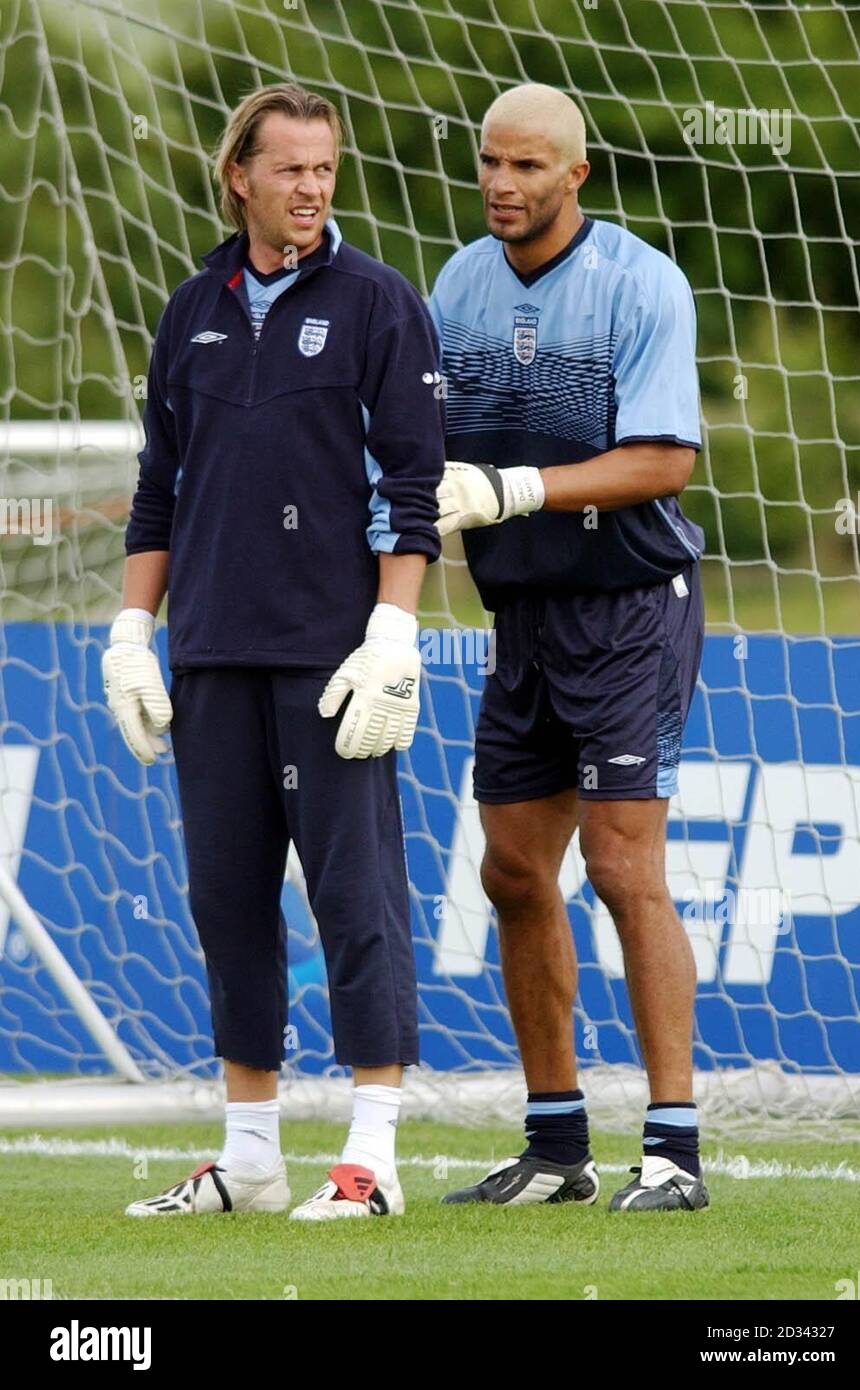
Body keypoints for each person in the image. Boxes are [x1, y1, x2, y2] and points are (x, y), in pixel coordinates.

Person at [103, 83, 444, 1220]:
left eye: (325, 169)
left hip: (332, 659)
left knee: (357, 899)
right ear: (237, 175)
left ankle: (372, 1159)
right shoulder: (190, 306)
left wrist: (394, 629)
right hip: (209, 657)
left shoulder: (379, 305)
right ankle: (249, 1159)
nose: (310, 189)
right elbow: (160, 489)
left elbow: (412, 489)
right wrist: (132, 632)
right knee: (228, 901)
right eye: (290, 169)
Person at [427, 83, 709, 1212]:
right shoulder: (456, 282)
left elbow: (663, 461)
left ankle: (676, 1150)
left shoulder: (642, 283)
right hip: (522, 616)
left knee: (622, 868)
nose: (503, 183)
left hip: (629, 605)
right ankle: (555, 1146)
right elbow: (422, 443)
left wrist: (512, 488)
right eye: (491, 163)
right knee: (507, 872)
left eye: (529, 167)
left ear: (575, 177)